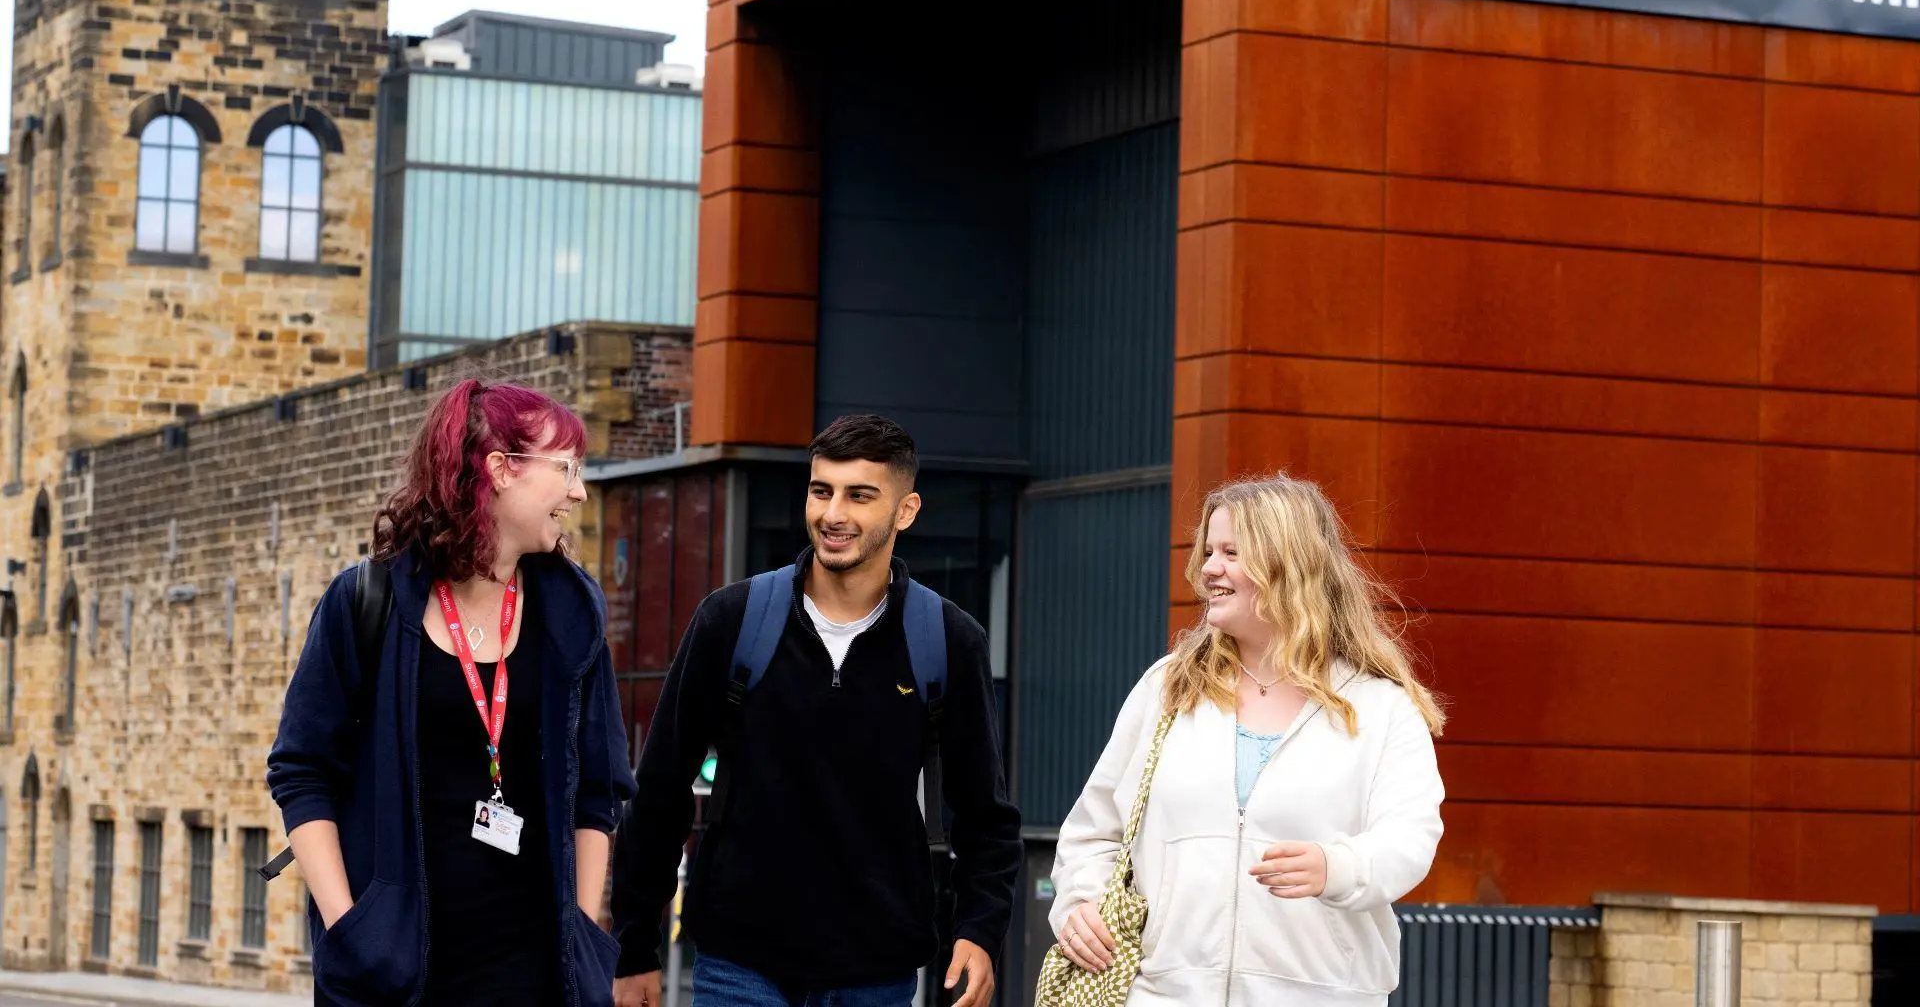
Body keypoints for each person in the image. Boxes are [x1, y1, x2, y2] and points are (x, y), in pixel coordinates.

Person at [610, 414, 1021, 1007]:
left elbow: (986, 813)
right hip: (738, 963)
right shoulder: (731, 621)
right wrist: (634, 947)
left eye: (860, 496)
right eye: (821, 490)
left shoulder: (948, 640)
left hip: (876, 972)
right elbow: (660, 792)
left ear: (905, 511)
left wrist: (981, 931)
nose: (833, 514)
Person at [267, 377, 637, 1007]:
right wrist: (353, 930)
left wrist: (579, 932)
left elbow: (599, 791)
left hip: (538, 975)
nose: (578, 491)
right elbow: (301, 771)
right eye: (566, 468)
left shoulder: (572, 614)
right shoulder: (365, 603)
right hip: (397, 974)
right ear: (499, 469)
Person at [1049, 474, 1445, 1005]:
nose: (1210, 567)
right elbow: (1094, 830)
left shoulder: (1380, 707)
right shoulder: (1169, 688)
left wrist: (1338, 867)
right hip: (1164, 993)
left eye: (1232, 552)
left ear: (1291, 565)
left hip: (1321, 996)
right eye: (1210, 550)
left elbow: (1410, 839)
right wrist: (1079, 903)